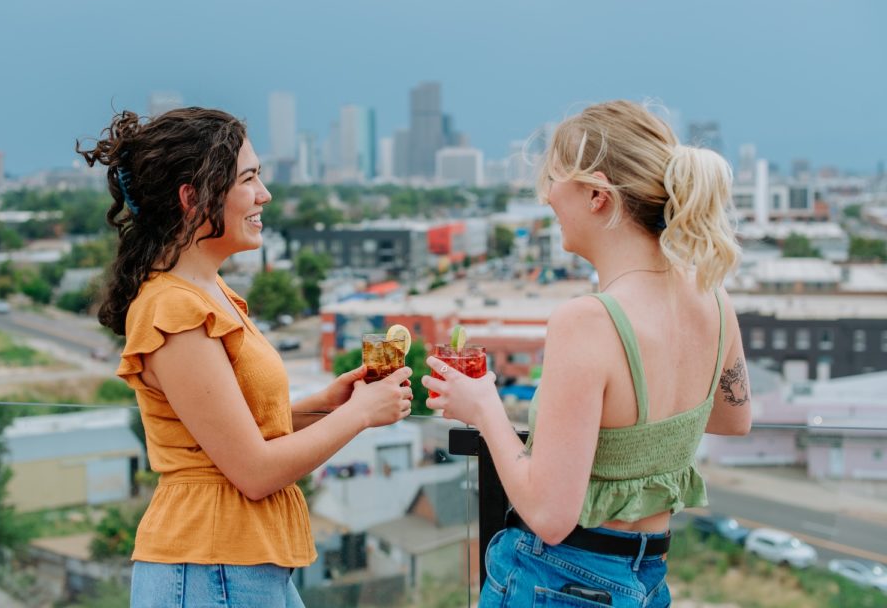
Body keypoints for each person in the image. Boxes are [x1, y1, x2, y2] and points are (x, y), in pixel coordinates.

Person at [77, 107, 413, 607]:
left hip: (234, 564)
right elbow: (254, 471)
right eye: (249, 179)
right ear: (192, 198)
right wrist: (362, 416)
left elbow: (232, 436)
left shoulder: (208, 293)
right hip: (209, 566)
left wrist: (333, 403)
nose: (265, 195)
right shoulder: (173, 309)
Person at [423, 100, 752, 607]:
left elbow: (550, 517)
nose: (548, 197)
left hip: (556, 581)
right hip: (647, 578)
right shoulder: (712, 296)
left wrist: (483, 406)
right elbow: (733, 418)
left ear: (597, 194)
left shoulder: (588, 322)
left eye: (555, 179)